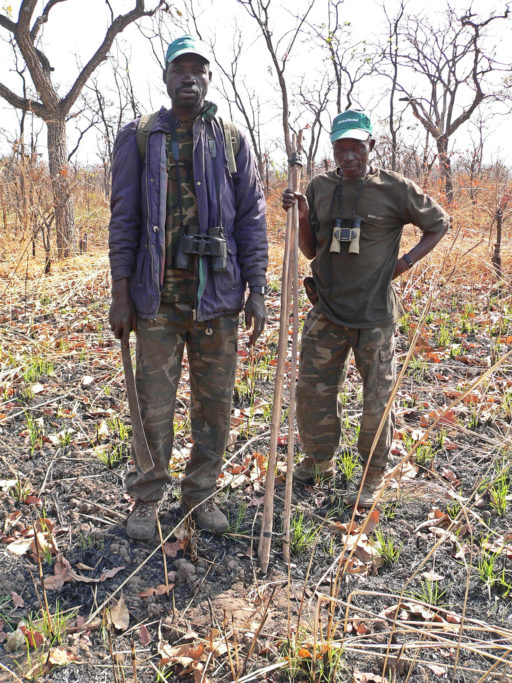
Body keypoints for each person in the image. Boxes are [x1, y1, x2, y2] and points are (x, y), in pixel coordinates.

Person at [109, 35, 268, 539]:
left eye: (199, 70)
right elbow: (124, 219)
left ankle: (201, 492)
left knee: (214, 406)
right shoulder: (139, 136)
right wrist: (119, 293)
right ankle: (147, 496)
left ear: (209, 79)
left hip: (217, 300)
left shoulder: (232, 139)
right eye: (181, 69)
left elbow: (252, 220)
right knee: (152, 406)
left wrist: (258, 289)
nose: (189, 78)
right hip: (155, 301)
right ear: (166, 76)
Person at [282, 110, 449, 507]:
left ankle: (372, 474)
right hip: (327, 310)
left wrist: (405, 262)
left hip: (374, 316)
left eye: (357, 146)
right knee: (313, 391)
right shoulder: (321, 186)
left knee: (378, 399)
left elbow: (439, 223)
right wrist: (303, 215)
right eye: (342, 147)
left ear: (371, 146)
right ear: (334, 149)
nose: (349, 155)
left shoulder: (394, 188)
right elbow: (310, 249)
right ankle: (319, 461)